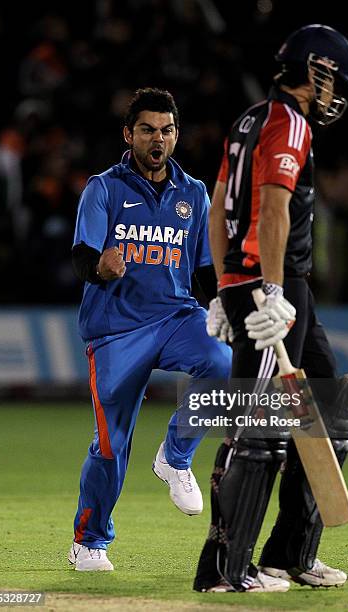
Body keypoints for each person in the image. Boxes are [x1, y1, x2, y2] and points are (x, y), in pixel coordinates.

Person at [194, 24, 348, 593]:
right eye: (334, 78)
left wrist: (221, 287)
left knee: (331, 417)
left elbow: (217, 209)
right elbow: (272, 211)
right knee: (255, 431)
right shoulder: (289, 123)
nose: (335, 92)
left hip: (272, 288)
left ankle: (289, 554)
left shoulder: (249, 119)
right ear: (317, 71)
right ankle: (223, 569)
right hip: (272, 288)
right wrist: (269, 289)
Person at [68, 87, 231, 572]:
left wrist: (222, 302)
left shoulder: (194, 193)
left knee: (224, 362)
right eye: (146, 130)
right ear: (129, 135)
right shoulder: (104, 188)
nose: (157, 139)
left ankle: (175, 455)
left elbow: (203, 271)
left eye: (166, 130)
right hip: (116, 330)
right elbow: (81, 256)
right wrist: (101, 266)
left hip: (176, 317)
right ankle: (89, 540)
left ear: (176, 135)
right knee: (111, 445)